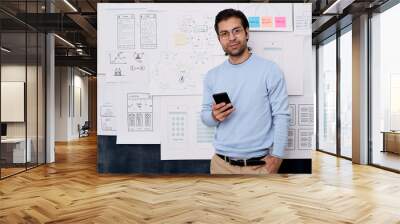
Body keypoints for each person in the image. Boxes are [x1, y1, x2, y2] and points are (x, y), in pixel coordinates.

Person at [201, 9, 290, 174]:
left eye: (236, 31)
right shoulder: (212, 76)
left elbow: (282, 115)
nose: (232, 38)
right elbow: (205, 117)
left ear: (247, 32)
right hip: (221, 166)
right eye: (225, 33)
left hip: (259, 167)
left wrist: (277, 157)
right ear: (219, 39)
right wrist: (214, 116)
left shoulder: (270, 70)